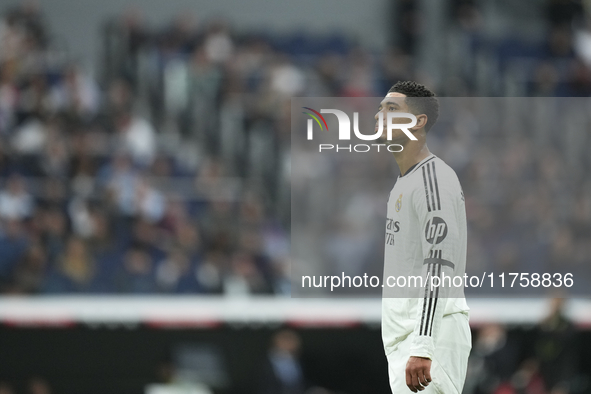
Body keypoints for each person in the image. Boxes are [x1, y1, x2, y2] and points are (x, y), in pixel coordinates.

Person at [377, 81, 471, 393]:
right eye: (380, 109)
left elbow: (439, 264)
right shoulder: (404, 183)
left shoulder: (433, 179)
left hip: (428, 338)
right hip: (407, 341)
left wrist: (423, 344)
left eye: (392, 109)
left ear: (418, 122)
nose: (380, 116)